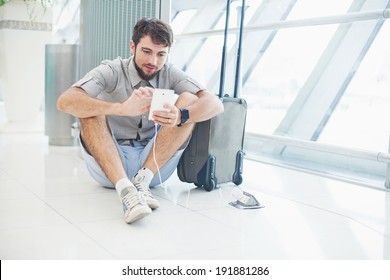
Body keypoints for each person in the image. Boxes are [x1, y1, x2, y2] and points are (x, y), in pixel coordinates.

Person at [57, 17, 224, 224]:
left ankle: (141, 182)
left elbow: (215, 104)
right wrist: (119, 108)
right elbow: (65, 101)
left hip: (152, 165)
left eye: (161, 54)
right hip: (110, 164)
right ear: (132, 46)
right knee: (91, 107)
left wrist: (181, 116)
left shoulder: (169, 72)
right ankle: (126, 190)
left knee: (189, 100)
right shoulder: (111, 70)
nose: (153, 61)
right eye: (146, 51)